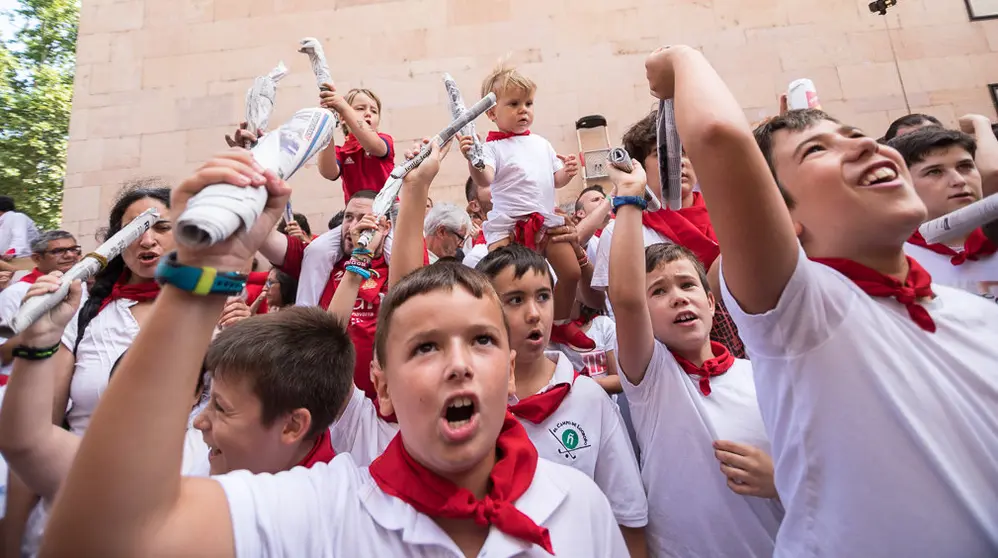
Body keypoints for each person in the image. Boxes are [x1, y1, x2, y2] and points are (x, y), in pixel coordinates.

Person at [40, 147, 626, 558]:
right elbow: (99, 537)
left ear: (509, 370)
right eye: (423, 346)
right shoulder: (318, 510)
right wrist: (201, 274)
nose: (458, 363)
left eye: (481, 340)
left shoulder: (578, 506)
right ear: (382, 385)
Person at [645, 45, 998, 556]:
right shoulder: (802, 310)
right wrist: (680, 60)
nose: (863, 147)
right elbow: (720, 137)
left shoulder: (977, 315)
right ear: (782, 218)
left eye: (856, 135)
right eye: (816, 150)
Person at [607, 151, 782, 555]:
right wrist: (630, 198)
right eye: (659, 291)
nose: (677, 298)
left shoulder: (760, 377)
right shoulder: (651, 378)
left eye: (687, 285)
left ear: (711, 301)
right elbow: (626, 298)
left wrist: (781, 480)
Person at [476, 244, 649, 558]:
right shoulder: (469, 405)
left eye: (543, 296)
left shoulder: (587, 398)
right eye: (515, 300)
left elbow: (628, 517)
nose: (534, 314)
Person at [589, 111, 745, 357]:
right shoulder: (622, 233)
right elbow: (625, 311)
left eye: (685, 152)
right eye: (662, 153)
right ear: (638, 167)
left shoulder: (730, 216)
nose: (678, 160)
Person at [460, 61, 592, 351]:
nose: (524, 110)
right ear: (492, 113)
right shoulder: (493, 148)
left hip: (544, 221)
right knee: (502, 282)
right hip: (510, 226)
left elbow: (553, 180)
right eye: (515, 103)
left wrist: (567, 173)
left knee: (570, 272)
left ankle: (559, 324)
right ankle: (498, 329)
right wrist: (474, 158)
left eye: (529, 103)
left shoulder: (542, 144)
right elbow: (485, 178)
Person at [889, 127, 998, 294]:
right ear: (903, 183)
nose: (959, 180)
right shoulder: (891, 259)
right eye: (935, 172)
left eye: (965, 166)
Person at [0, 231, 82, 378]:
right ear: (37, 258)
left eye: (74, 249)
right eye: (58, 251)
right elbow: (2, 354)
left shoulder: (83, 289)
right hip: (24, 383)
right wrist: (37, 332)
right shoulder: (15, 293)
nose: (70, 255)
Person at [316, 86, 395, 202]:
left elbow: (372, 146)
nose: (368, 113)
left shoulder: (384, 140)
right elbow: (328, 173)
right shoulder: (340, 152)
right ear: (342, 118)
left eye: (374, 111)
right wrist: (327, 123)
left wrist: (342, 106)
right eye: (360, 108)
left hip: (387, 213)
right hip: (357, 215)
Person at [0, 196, 40, 270]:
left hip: (23, 260)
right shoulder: (2, 222)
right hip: (6, 262)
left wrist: (11, 252)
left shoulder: (17, 217)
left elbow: (19, 237)